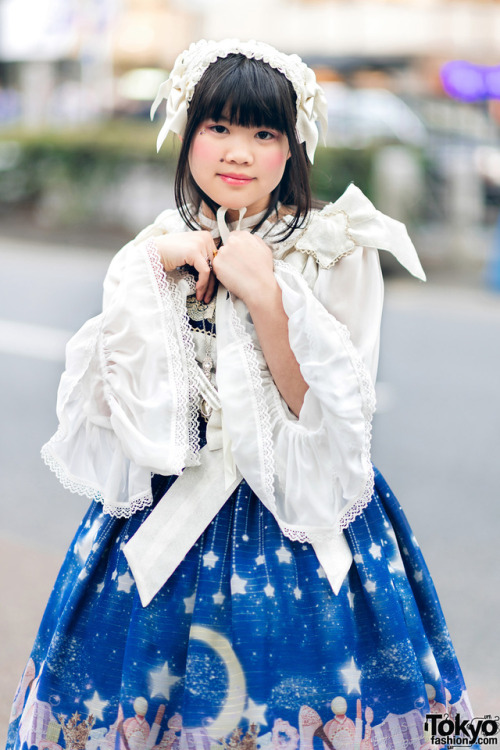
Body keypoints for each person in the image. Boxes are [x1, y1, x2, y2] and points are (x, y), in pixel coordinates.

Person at [7, 39, 475, 750]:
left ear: (292, 150)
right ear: (187, 135)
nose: (239, 152)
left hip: (300, 521)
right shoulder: (161, 245)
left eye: (264, 133)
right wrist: (144, 271)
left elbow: (329, 422)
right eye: (218, 127)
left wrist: (269, 302)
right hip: (164, 519)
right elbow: (125, 416)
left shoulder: (336, 249)